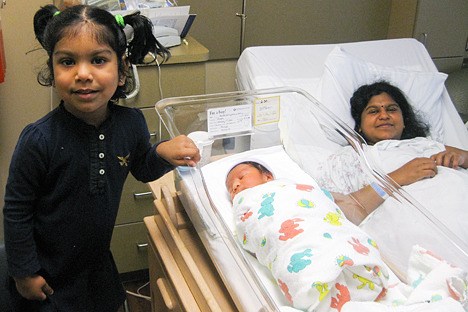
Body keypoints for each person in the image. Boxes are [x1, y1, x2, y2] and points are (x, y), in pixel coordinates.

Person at [3, 4, 200, 312]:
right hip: (46, 270)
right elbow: (16, 211)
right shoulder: (39, 140)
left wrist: (161, 153)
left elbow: (143, 167)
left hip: (95, 265)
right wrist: (24, 272)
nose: (83, 74)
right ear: (52, 70)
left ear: (121, 70)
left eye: (98, 60)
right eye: (67, 61)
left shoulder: (131, 123)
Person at [225, 161, 467, 312]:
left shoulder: (293, 188)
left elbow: (327, 208)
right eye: (230, 186)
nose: (235, 185)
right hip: (300, 251)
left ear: (268, 177)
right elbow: (254, 235)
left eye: (242, 176)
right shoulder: (245, 205)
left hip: (339, 245)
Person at [351, 81, 468, 186]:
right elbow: (347, 204)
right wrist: (398, 177)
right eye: (374, 111)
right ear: (359, 125)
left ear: (404, 121)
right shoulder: (357, 157)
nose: (384, 116)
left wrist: (461, 159)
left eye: (391, 109)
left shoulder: (423, 144)